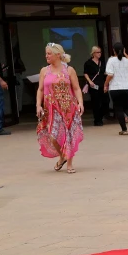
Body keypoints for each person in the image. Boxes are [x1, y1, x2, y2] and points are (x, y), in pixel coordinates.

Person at [36, 43, 84, 174]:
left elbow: (76, 88)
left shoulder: (69, 70)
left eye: (49, 53)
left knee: (68, 135)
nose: (46, 56)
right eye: (46, 53)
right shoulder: (44, 71)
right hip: (50, 108)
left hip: (68, 107)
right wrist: (38, 105)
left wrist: (80, 103)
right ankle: (62, 156)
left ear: (58, 55)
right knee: (53, 136)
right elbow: (40, 89)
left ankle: (69, 163)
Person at [105, 42, 128, 135]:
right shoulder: (127, 61)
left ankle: (124, 130)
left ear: (113, 50)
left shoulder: (111, 60)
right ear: (123, 50)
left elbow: (110, 75)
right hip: (127, 88)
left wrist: (105, 84)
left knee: (118, 108)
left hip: (115, 88)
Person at [82, 46, 108, 127]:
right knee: (96, 103)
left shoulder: (102, 62)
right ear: (93, 53)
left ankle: (100, 116)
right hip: (93, 86)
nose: (99, 54)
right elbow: (85, 73)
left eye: (100, 52)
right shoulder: (88, 63)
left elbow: (104, 73)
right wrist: (90, 81)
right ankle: (97, 120)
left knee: (106, 102)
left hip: (102, 84)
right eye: (98, 52)